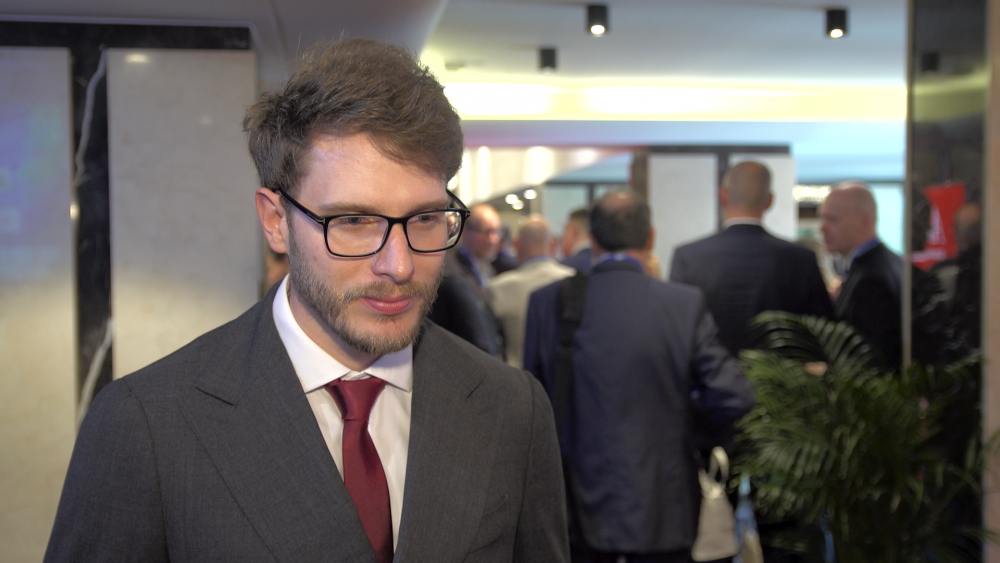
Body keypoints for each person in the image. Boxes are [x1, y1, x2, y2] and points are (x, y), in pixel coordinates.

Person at [45, 38, 568, 563]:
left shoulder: (512, 408)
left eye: (426, 218)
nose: (399, 265)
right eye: (354, 221)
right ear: (276, 221)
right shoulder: (147, 423)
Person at [523, 191, 755, 563]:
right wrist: (690, 433)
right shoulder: (682, 304)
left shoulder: (548, 302)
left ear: (592, 240)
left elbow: (530, 404)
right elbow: (734, 396)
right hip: (663, 503)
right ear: (650, 239)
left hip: (572, 506)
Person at [670, 161, 833, 356]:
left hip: (709, 372)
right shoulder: (801, 259)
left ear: (722, 196)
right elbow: (824, 333)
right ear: (769, 200)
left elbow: (676, 328)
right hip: (781, 373)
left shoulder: (688, 257)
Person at [820, 182, 903, 368]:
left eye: (833, 219)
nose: (822, 228)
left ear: (865, 222)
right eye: (822, 218)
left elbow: (870, 362)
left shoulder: (870, 280)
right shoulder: (891, 263)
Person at [490, 215, 574, 368]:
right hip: (564, 378)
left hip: (516, 376)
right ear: (553, 244)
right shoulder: (573, 281)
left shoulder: (498, 288)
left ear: (516, 244)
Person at [430, 203, 507, 358]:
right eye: (486, 232)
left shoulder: (488, 270)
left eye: (496, 232)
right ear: (465, 231)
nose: (493, 239)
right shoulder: (449, 270)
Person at [560, 207, 593, 273]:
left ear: (573, 230)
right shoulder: (603, 263)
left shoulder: (564, 267)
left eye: (565, 231)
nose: (563, 238)